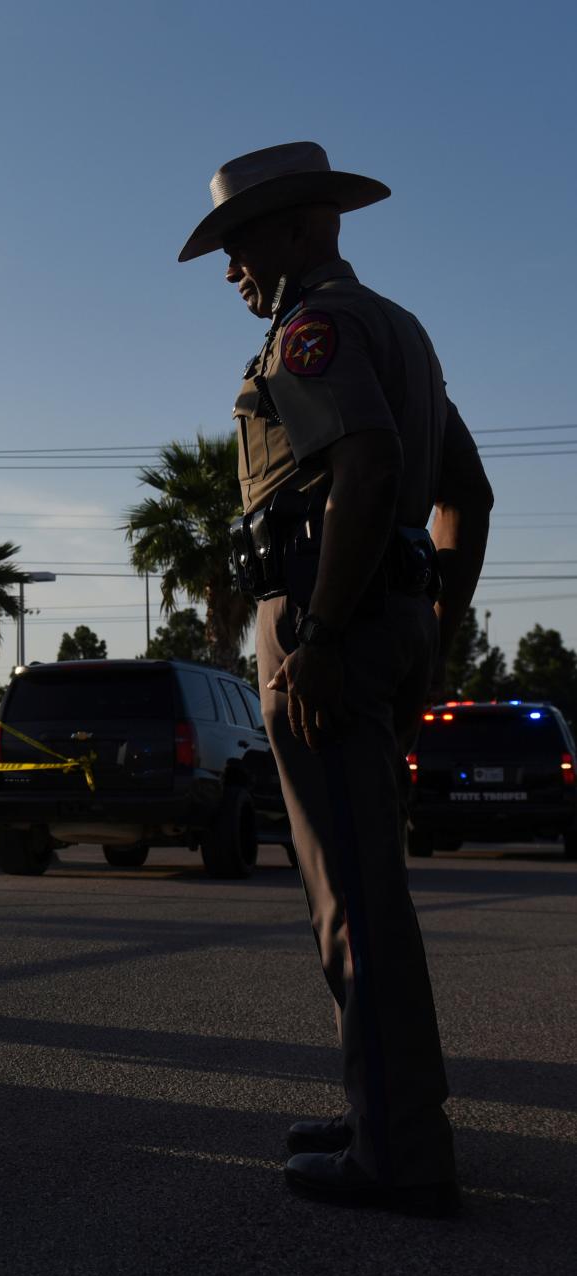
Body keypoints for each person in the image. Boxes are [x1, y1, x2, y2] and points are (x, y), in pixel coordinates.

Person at [180, 142, 493, 1215]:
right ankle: (386, 1104)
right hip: (384, 620)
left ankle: (399, 1148)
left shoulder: (310, 332)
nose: (230, 270)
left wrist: (315, 629)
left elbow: (359, 463)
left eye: (237, 244)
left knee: (351, 897)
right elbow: (468, 495)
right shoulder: (401, 330)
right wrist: (433, 626)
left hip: (327, 620)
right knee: (360, 883)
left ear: (302, 226)